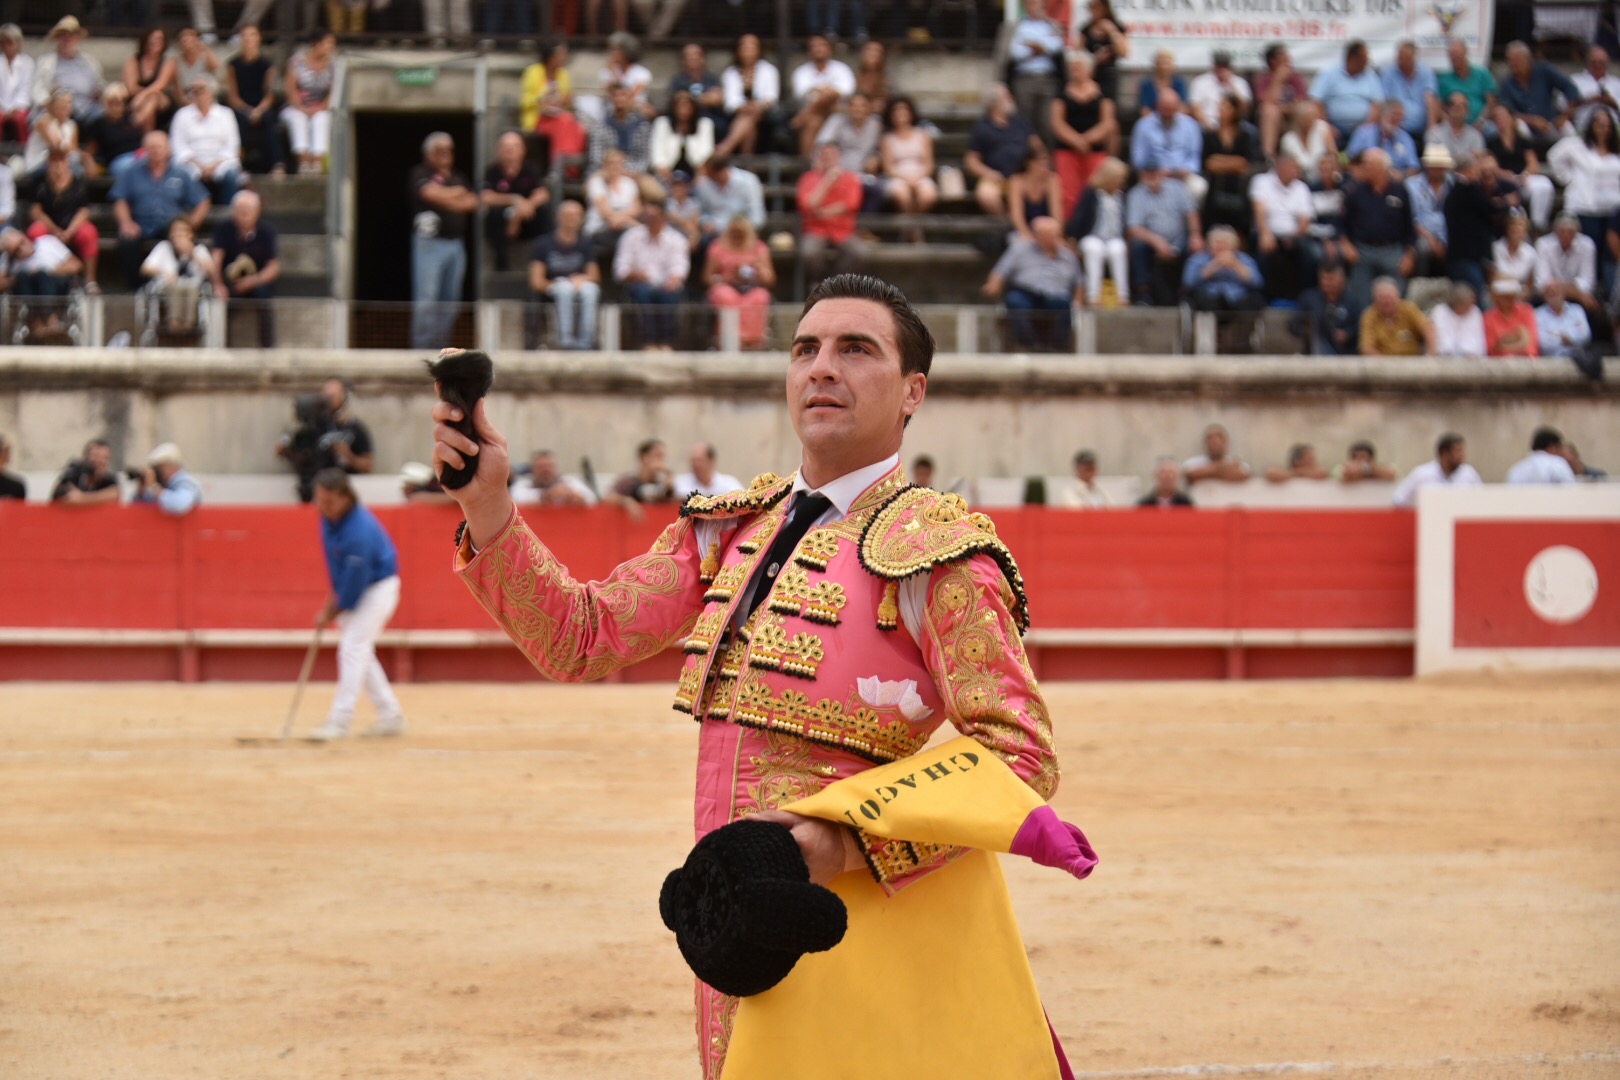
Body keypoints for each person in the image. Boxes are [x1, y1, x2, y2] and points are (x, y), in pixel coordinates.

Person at [430, 275, 1071, 1079]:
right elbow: (579, 637)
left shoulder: (937, 552)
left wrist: (846, 842)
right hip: (730, 912)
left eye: (855, 350)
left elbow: (1019, 755)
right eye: (805, 349)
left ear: (914, 392)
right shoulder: (731, 530)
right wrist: (490, 509)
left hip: (858, 911)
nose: (821, 368)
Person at [306, 468, 406, 743]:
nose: (323, 508)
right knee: (360, 652)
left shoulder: (358, 531)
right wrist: (335, 591)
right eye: (320, 501)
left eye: (329, 502)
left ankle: (340, 720)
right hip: (362, 587)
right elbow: (337, 563)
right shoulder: (330, 518)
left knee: (352, 649)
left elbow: (355, 582)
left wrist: (332, 610)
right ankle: (390, 715)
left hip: (377, 589)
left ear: (346, 498)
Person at [111, 130, 210, 288]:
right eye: (151, 147)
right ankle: (136, 287)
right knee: (126, 240)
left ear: (168, 149)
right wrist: (126, 222)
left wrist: (190, 224)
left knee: (187, 240)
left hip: (170, 224)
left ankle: (184, 284)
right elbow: (119, 199)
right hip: (141, 224)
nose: (156, 151)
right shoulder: (130, 172)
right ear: (144, 150)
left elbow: (203, 201)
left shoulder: (181, 173)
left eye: (159, 147)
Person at [409, 132, 477, 350]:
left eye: (449, 149)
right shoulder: (420, 172)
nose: (445, 153)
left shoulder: (458, 176)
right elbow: (429, 194)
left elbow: (472, 203)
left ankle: (441, 345)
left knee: (451, 300)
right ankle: (422, 346)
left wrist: (446, 196)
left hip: (456, 245)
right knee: (427, 299)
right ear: (428, 153)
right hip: (430, 244)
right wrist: (455, 194)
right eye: (440, 149)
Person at [984, 216, 1083, 351]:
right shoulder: (1020, 250)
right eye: (1050, 234)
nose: (1056, 237)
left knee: (1064, 304)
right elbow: (1000, 271)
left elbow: (1079, 282)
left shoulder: (1068, 255)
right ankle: (1029, 345)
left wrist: (1077, 301)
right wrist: (993, 284)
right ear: (1038, 236)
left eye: (1057, 233)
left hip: (1056, 295)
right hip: (1026, 292)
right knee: (1015, 300)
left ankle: (1057, 347)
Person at [1548, 110, 1620, 286]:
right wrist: (1569, 179)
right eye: (1599, 124)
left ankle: (1607, 289)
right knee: (1588, 252)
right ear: (1591, 125)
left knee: (1609, 254)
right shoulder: (1577, 144)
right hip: (1585, 207)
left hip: (1612, 209)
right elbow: (1553, 157)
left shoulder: (1616, 150)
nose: (1603, 129)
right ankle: (1589, 287)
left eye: (1607, 125)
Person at [1341, 148, 1414, 310]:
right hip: (1363, 252)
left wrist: (1409, 255)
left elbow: (1409, 226)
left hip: (1392, 251)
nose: (1364, 167)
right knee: (1360, 301)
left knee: (1395, 299)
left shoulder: (1400, 191)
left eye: (1368, 164)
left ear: (1381, 167)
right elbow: (1343, 224)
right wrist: (1346, 245)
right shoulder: (1355, 192)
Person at [1126, 157, 1202, 306]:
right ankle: (1143, 293)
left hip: (1180, 239)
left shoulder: (1177, 187)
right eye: (1147, 173)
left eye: (1154, 172)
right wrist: (1156, 241)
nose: (1151, 176)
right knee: (1137, 246)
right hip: (1152, 242)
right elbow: (1133, 228)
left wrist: (1195, 234)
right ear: (1141, 175)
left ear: (1162, 172)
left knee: (1196, 247)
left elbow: (1191, 212)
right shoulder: (1136, 194)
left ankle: (1188, 294)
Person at [1050, 51, 1115, 220]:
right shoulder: (1061, 92)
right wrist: (1076, 140)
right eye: (1072, 68)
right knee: (1069, 193)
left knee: (1095, 190)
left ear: (1089, 70)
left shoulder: (1103, 92)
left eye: (1078, 67)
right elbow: (1057, 122)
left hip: (1094, 151)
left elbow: (1107, 122)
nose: (1074, 71)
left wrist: (1087, 139)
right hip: (1067, 151)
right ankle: (1070, 231)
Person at [614, 202, 689, 350]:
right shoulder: (630, 236)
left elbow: (679, 267)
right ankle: (649, 342)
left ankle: (667, 343)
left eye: (654, 217)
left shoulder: (677, 239)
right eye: (647, 217)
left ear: (664, 218)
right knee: (644, 293)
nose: (651, 220)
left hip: (667, 285)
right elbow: (620, 270)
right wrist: (634, 274)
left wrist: (674, 278)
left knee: (669, 294)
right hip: (639, 285)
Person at [529, 200, 601, 351]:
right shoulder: (543, 243)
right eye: (568, 215)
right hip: (555, 286)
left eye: (576, 215)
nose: (572, 219)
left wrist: (580, 279)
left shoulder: (585, 244)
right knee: (564, 290)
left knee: (591, 291)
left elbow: (594, 275)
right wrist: (560, 283)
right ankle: (565, 341)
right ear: (558, 217)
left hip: (579, 285)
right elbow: (536, 281)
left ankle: (586, 342)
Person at [212, 189, 279, 348]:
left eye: (248, 211)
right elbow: (216, 257)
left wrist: (255, 280)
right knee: (221, 300)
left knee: (265, 300)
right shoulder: (224, 228)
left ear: (257, 212)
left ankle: (267, 348)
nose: (244, 215)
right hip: (230, 281)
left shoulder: (267, 232)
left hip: (257, 281)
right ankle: (222, 347)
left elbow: (274, 266)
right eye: (240, 211)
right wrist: (218, 284)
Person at [965, 83, 1040, 219]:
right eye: (1007, 96)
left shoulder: (1021, 122)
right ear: (994, 102)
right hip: (996, 178)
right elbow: (972, 160)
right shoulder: (982, 127)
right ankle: (1005, 221)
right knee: (986, 194)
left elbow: (1037, 147)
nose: (1011, 98)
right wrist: (989, 173)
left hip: (1023, 176)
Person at [481, 130, 549, 273]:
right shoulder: (493, 170)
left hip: (526, 219)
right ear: (499, 150)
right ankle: (501, 266)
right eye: (506, 146)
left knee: (544, 212)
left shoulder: (530, 169)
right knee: (493, 213)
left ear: (523, 150)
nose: (510, 150)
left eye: (515, 146)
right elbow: (486, 196)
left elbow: (543, 194)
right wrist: (514, 199)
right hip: (502, 222)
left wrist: (522, 210)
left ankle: (544, 263)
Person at [28, 150, 98, 289]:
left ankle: (90, 279)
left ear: (68, 163)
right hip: (50, 226)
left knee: (89, 233)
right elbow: (35, 211)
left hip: (73, 226)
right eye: (53, 162)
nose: (58, 165)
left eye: (61, 161)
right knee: (34, 232)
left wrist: (69, 232)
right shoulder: (39, 182)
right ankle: (38, 275)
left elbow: (84, 211)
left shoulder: (78, 182)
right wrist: (54, 230)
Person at [1251, 152, 1315, 302]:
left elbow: (1305, 220)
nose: (1297, 172)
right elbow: (1259, 210)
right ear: (1281, 168)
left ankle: (1304, 297)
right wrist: (1265, 234)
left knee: (1309, 253)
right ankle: (1264, 297)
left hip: (1293, 235)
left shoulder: (1301, 188)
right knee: (1263, 250)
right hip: (1267, 231)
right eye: (1294, 168)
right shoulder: (1261, 181)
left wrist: (1295, 236)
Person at [799, 141, 867, 280]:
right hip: (816, 229)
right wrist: (827, 181)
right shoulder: (808, 178)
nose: (828, 158)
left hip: (843, 230)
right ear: (818, 157)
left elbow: (851, 204)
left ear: (839, 157)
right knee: (809, 253)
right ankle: (820, 284)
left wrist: (823, 213)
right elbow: (808, 205)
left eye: (832, 154)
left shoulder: (850, 178)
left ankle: (837, 283)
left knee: (861, 253)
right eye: (824, 155)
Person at [705, 213, 775, 349]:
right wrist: (728, 277)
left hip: (752, 286)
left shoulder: (759, 248)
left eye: (741, 233)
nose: (737, 236)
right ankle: (730, 341)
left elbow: (770, 279)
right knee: (726, 297)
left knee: (760, 297)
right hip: (725, 285)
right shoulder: (717, 247)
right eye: (734, 233)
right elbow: (708, 277)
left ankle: (754, 342)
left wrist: (758, 269)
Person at [1066, 156, 1129, 306]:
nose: (1120, 181)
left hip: (1114, 237)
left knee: (1118, 249)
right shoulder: (1092, 194)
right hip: (1092, 236)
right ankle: (1093, 295)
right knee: (1094, 249)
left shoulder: (1121, 196)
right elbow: (1080, 218)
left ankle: (1122, 295)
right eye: (1117, 177)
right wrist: (1073, 238)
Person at [170, 75, 242, 201]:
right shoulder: (181, 115)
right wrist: (200, 165)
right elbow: (178, 146)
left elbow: (232, 146)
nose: (196, 93)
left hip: (220, 162)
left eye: (201, 89)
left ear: (212, 92)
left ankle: (227, 213)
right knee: (182, 174)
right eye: (193, 90)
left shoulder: (226, 114)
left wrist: (213, 166)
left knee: (231, 175)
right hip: (192, 162)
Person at [140, 216, 216, 336]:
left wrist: (191, 252)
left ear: (191, 233)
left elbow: (211, 270)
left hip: (193, 287)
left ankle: (189, 324)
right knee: (175, 286)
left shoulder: (199, 249)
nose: (179, 234)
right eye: (175, 230)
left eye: (183, 230)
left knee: (191, 288)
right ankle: (174, 322)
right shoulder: (163, 247)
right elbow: (145, 268)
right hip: (167, 286)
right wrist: (164, 273)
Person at [1485, 102, 1555, 231]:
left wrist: (1525, 175)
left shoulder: (1523, 140)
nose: (1500, 120)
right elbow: (1490, 164)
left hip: (1523, 177)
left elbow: (1533, 163)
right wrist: (1503, 174)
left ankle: (1537, 224)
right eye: (1497, 117)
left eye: (1503, 116)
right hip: (1503, 180)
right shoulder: (1491, 142)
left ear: (1511, 118)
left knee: (1544, 185)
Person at [1131, 88, 1207, 202]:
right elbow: (1138, 158)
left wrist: (1185, 169)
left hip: (1181, 175)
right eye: (1165, 110)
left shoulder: (1191, 125)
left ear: (1178, 107)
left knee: (1199, 186)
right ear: (1158, 106)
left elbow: (1195, 157)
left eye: (1172, 110)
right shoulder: (1143, 125)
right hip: (1154, 174)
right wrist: (1154, 170)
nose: (1168, 114)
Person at [1498, 41, 1578, 150]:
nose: (1512, 64)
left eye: (1516, 60)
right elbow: (1508, 112)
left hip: (1550, 122)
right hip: (1526, 126)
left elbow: (1570, 88)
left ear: (1527, 59)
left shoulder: (1543, 70)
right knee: (1519, 125)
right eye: (1509, 60)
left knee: (1567, 128)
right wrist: (1533, 121)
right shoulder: (1506, 84)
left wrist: (1566, 115)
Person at [224, 25, 281, 176]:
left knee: (270, 120)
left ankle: (277, 165)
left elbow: (270, 95)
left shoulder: (267, 64)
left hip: (261, 106)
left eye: (252, 35)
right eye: (245, 36)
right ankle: (237, 165)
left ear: (258, 38)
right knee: (237, 121)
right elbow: (232, 97)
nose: (248, 39)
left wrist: (259, 110)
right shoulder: (233, 65)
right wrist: (248, 111)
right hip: (242, 106)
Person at [1006, 0, 1065, 147]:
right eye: (1029, 3)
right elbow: (1014, 52)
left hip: (1048, 80)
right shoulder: (1017, 27)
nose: (1032, 6)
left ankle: (1047, 163)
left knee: (1047, 123)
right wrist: (1040, 49)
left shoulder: (1051, 26)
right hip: (1024, 80)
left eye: (1036, 3)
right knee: (1025, 122)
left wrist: (1039, 47)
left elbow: (1057, 46)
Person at [521, 41, 587, 169]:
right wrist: (542, 100)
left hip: (558, 116)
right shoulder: (533, 72)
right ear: (550, 57)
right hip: (537, 118)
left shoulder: (564, 74)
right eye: (561, 55)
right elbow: (525, 101)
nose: (564, 58)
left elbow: (566, 100)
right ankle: (560, 168)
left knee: (578, 127)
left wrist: (566, 101)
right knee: (565, 121)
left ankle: (571, 167)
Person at [715, 33, 780, 158]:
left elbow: (771, 97)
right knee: (749, 121)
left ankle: (725, 147)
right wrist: (746, 107)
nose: (748, 50)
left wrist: (756, 106)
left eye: (752, 46)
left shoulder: (769, 70)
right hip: (739, 114)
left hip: (766, 115)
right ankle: (748, 164)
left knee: (751, 115)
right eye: (744, 46)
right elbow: (731, 101)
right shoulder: (731, 73)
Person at [879, 96, 936, 238]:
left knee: (928, 195)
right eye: (896, 111)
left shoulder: (923, 135)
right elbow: (888, 168)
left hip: (920, 173)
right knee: (902, 195)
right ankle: (915, 232)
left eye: (904, 110)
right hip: (897, 175)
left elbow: (929, 164)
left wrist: (918, 177)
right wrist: (905, 178)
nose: (900, 114)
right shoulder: (887, 139)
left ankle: (909, 228)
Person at [791, 33, 856, 156]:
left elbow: (847, 92)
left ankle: (803, 116)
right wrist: (827, 91)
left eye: (822, 45)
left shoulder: (842, 69)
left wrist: (820, 92)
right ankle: (808, 165)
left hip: (839, 113)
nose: (818, 49)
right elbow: (802, 94)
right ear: (808, 51)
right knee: (812, 122)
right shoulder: (801, 72)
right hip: (815, 115)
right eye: (814, 46)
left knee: (828, 103)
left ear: (830, 49)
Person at [281, 30, 335, 176]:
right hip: (296, 107)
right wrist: (303, 108)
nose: (331, 47)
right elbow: (290, 89)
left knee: (321, 119)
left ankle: (317, 163)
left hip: (320, 108)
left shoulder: (331, 66)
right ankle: (304, 163)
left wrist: (320, 108)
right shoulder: (297, 61)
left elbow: (332, 92)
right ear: (317, 44)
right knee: (298, 118)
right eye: (328, 43)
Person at [32, 17, 103, 127]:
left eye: (72, 35)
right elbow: (37, 90)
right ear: (57, 38)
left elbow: (99, 86)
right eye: (63, 35)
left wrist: (100, 93)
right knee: (44, 118)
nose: (67, 38)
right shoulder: (46, 62)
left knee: (104, 116)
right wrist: (49, 102)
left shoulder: (90, 62)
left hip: (87, 108)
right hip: (58, 110)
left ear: (78, 39)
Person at [1202, 93, 1256, 237]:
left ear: (1235, 111)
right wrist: (1233, 162)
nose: (1222, 110)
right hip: (1216, 183)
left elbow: (1244, 163)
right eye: (1221, 106)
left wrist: (1219, 160)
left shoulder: (1245, 135)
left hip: (1238, 184)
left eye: (1226, 107)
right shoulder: (1210, 134)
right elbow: (1208, 164)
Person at [1441, 152, 1494, 295]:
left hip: (1460, 255)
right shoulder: (1467, 190)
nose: (1478, 174)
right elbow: (1489, 209)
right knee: (1474, 296)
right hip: (1466, 256)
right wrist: (1507, 203)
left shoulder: (1454, 191)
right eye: (1476, 169)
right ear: (1468, 170)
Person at [1180, 225, 1263, 315]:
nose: (1220, 247)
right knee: (1197, 297)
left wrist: (1236, 265)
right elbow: (1188, 283)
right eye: (1216, 243)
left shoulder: (1245, 259)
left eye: (1224, 243)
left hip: (1238, 298)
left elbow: (1258, 282)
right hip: (1209, 297)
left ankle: (1243, 327)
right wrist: (1212, 266)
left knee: (1255, 299)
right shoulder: (1197, 259)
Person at [1309, 40, 1383, 139]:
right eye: (1364, 58)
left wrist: (1366, 127)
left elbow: (1377, 104)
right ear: (1352, 58)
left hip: (1363, 126)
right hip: (1334, 125)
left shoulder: (1370, 74)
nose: (1367, 61)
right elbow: (1316, 101)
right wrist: (1326, 125)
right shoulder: (1329, 72)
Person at [1392, 432, 1481, 506]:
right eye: (1458, 451)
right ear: (1444, 453)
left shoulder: (1469, 474)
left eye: (1462, 451)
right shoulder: (1422, 474)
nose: (1462, 455)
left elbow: (1482, 499)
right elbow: (1399, 499)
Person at [1406, 144, 1453, 278]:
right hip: (1423, 233)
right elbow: (1412, 218)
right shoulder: (1411, 185)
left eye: (1440, 165)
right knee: (1423, 247)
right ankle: (1421, 282)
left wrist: (1444, 240)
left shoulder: (1454, 184)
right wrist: (1431, 239)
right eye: (1434, 165)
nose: (1437, 168)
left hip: (1449, 232)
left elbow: (1458, 217)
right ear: (1427, 165)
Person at [1255, 44, 1309, 158]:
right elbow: (1264, 103)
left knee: (1306, 111)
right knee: (1270, 111)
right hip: (1273, 120)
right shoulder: (1262, 79)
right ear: (1273, 61)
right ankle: (1268, 155)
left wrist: (1284, 109)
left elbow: (1301, 101)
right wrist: (1277, 81)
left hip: (1293, 117)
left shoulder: (1296, 77)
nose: (1288, 61)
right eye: (1284, 57)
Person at [651, 90, 715, 184]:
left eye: (687, 106)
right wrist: (663, 169)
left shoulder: (705, 124)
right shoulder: (662, 123)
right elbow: (657, 151)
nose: (684, 110)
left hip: (697, 170)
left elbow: (708, 150)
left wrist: (701, 170)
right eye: (680, 106)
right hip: (668, 171)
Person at [1295, 261, 1359, 355]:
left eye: (1331, 279)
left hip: (1344, 354)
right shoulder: (1308, 299)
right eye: (1323, 278)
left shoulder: (1353, 302)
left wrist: (1347, 334)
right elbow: (1294, 323)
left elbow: (1360, 326)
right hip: (1312, 351)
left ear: (1342, 279)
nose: (1326, 283)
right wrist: (1306, 330)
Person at [83, 83, 144, 181]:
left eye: (122, 102)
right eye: (114, 103)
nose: (118, 106)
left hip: (139, 155)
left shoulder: (131, 119)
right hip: (118, 160)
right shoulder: (99, 124)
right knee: (132, 169)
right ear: (106, 103)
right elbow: (89, 151)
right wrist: (90, 164)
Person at [1359, 275, 1432, 356]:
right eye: (1382, 298)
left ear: (1398, 297)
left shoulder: (1408, 308)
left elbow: (1428, 329)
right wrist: (1386, 365)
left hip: (1412, 362)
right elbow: (1366, 347)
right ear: (1374, 300)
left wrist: (1429, 357)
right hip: (1382, 364)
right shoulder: (1369, 315)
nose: (1386, 302)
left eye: (1390, 297)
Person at [601, 437, 676, 515]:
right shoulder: (628, 481)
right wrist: (626, 502)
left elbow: (670, 502)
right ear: (644, 457)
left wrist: (670, 481)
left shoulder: (661, 483)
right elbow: (607, 497)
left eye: (663, 457)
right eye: (658, 456)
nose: (662, 461)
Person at [589, 83, 653, 175]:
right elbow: (596, 157)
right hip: (606, 172)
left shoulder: (642, 126)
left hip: (634, 172)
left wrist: (630, 171)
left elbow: (645, 157)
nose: (619, 99)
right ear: (611, 99)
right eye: (615, 96)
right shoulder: (600, 126)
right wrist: (613, 170)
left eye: (623, 95)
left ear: (630, 99)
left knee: (654, 189)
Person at [1381, 40, 1438, 140]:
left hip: (1420, 128)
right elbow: (1384, 102)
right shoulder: (1388, 73)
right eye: (1398, 56)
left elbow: (1430, 99)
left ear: (1412, 58)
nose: (1399, 59)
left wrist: (1432, 129)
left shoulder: (1425, 73)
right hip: (1396, 128)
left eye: (1403, 57)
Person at [1345, 99, 1419, 176]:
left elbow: (1414, 167)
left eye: (1400, 116)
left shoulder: (1405, 138)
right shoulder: (1363, 133)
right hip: (1367, 177)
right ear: (1383, 114)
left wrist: (1402, 174)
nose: (1397, 119)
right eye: (1394, 114)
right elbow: (1351, 162)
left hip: (1396, 181)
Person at [122, 26, 175, 132]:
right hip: (138, 99)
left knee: (154, 98)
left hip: (161, 100)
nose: (156, 42)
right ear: (145, 40)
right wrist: (144, 96)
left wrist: (142, 96)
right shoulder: (134, 60)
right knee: (151, 101)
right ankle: (147, 137)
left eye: (160, 39)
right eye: (153, 38)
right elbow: (131, 87)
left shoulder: (168, 62)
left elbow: (160, 84)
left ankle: (132, 125)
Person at [1077, 0, 1129, 103]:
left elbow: (1124, 52)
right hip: (1091, 74)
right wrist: (1093, 59)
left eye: (1097, 7)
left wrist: (1112, 32)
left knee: (1108, 104)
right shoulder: (1086, 29)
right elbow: (1077, 54)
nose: (1094, 11)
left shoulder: (1117, 27)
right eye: (1091, 7)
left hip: (1109, 73)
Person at [1007, 145, 1061, 244]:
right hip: (1024, 230)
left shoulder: (1052, 180)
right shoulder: (1017, 181)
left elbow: (1056, 213)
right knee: (1021, 244)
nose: (1045, 165)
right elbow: (1017, 216)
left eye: (1047, 161)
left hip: (1047, 230)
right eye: (1041, 161)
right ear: (1030, 164)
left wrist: (1055, 234)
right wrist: (1028, 236)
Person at [1436, 38, 1496, 127]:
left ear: (1465, 54)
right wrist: (1448, 121)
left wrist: (1481, 121)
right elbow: (1439, 106)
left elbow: (1491, 102)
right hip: (1454, 125)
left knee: (1493, 131)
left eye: (1457, 56)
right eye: (1452, 56)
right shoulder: (1444, 79)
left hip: (1482, 123)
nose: (1454, 59)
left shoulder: (1483, 74)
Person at [25, 89, 81, 182]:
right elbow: (57, 147)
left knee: (78, 169)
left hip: (61, 163)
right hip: (38, 164)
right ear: (53, 105)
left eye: (68, 103)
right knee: (61, 168)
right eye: (62, 102)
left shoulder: (72, 125)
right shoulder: (44, 121)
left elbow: (73, 150)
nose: (66, 106)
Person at [1188, 51, 1251, 132]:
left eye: (1225, 67)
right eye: (1219, 66)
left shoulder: (1240, 82)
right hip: (1208, 122)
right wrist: (1210, 127)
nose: (1221, 70)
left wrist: (1231, 84)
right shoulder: (1201, 81)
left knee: (1250, 131)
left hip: (1233, 123)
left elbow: (1244, 108)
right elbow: (1195, 108)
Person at [668, 43, 725, 130]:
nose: (692, 58)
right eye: (688, 55)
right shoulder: (678, 80)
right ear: (683, 60)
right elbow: (677, 101)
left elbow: (717, 99)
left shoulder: (712, 79)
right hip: (688, 120)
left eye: (696, 54)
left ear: (703, 58)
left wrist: (691, 98)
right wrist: (704, 99)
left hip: (711, 117)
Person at [134, 442, 202, 515]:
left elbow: (180, 505)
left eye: (158, 468)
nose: (155, 472)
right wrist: (141, 489)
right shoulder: (163, 486)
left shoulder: (186, 482)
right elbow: (137, 510)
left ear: (169, 467)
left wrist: (154, 487)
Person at [510, 449, 596, 506]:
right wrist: (545, 497)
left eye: (549, 466)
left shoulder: (569, 482)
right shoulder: (523, 485)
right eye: (541, 467)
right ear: (533, 468)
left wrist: (576, 496)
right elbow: (515, 502)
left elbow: (593, 500)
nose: (546, 470)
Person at [1280, 99, 1337, 184]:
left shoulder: (1322, 128)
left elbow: (1333, 155)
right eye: (1307, 119)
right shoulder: (1288, 140)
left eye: (1313, 118)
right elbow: (1288, 165)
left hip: (1324, 180)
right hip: (1299, 181)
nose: (1312, 122)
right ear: (1299, 120)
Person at [50, 438, 120, 504]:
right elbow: (65, 497)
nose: (99, 461)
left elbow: (114, 494)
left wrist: (82, 499)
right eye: (96, 456)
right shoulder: (73, 475)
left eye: (104, 458)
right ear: (84, 457)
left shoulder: (109, 480)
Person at [1535, 279, 1592, 359]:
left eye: (1556, 290)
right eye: (1550, 292)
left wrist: (1570, 338)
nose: (1553, 292)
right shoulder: (1537, 314)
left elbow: (1585, 334)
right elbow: (1542, 342)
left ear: (1563, 292)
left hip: (1577, 359)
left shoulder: (1577, 310)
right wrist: (1564, 339)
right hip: (1550, 361)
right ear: (1544, 295)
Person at [1426, 92, 1486, 167]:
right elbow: (1435, 162)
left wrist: (1451, 159)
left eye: (1462, 105)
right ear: (1448, 109)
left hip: (1470, 176)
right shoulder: (1434, 134)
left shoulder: (1476, 136)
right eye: (1453, 104)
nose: (1457, 108)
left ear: (1467, 111)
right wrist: (1466, 158)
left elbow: (1479, 161)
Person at [1569, 45, 1620, 133]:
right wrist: (1588, 100)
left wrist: (1611, 102)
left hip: (1613, 130)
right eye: (1594, 62)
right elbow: (1564, 106)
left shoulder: (1617, 83)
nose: (1597, 65)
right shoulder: (1574, 80)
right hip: (1583, 128)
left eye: (1601, 62)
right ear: (1587, 62)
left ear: (1607, 63)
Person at [1483, 277, 1538, 357]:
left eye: (1512, 295)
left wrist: (1504, 342)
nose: (1509, 299)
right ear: (1496, 297)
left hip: (1525, 361)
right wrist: (1516, 338)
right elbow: (1492, 349)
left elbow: (1530, 347)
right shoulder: (1488, 317)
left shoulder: (1527, 311)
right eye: (1504, 296)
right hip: (1499, 364)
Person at [1506, 426, 1579, 484]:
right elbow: (1571, 490)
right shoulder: (1558, 464)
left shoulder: (1516, 470)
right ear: (1552, 447)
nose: (1561, 453)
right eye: (1559, 448)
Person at [0, 24, 35, 145]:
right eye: (4, 42)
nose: (8, 46)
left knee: (21, 119)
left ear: (18, 43)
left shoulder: (27, 62)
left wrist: (15, 107)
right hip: (1, 106)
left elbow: (26, 88)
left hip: (19, 106)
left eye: (11, 42)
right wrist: (3, 109)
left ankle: (24, 150)